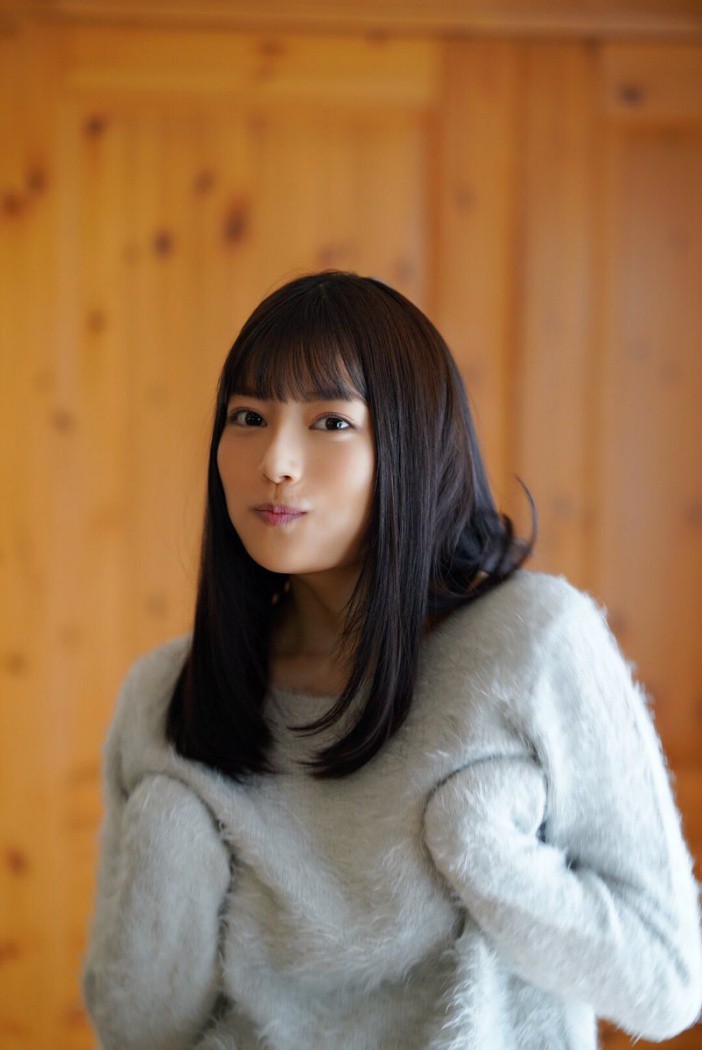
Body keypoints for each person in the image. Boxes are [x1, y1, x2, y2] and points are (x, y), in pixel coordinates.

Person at [81, 270, 702, 1050]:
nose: (276, 459)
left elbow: (666, 983)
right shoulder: (166, 695)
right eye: (248, 417)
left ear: (414, 444)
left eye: (331, 422)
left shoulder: (534, 644)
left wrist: (483, 849)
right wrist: (170, 840)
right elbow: (138, 1031)